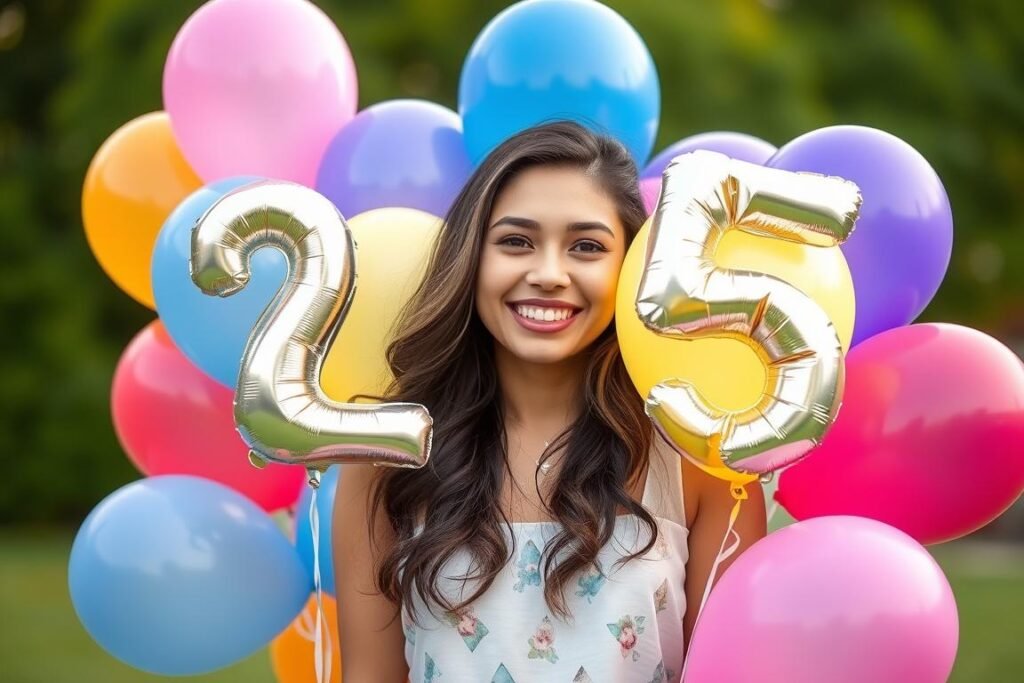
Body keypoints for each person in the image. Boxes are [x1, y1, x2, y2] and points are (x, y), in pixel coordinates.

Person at [333, 121, 766, 682]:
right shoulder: (386, 456)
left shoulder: (698, 457)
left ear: (631, 269)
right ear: (472, 257)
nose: (548, 274)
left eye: (587, 247)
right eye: (516, 241)